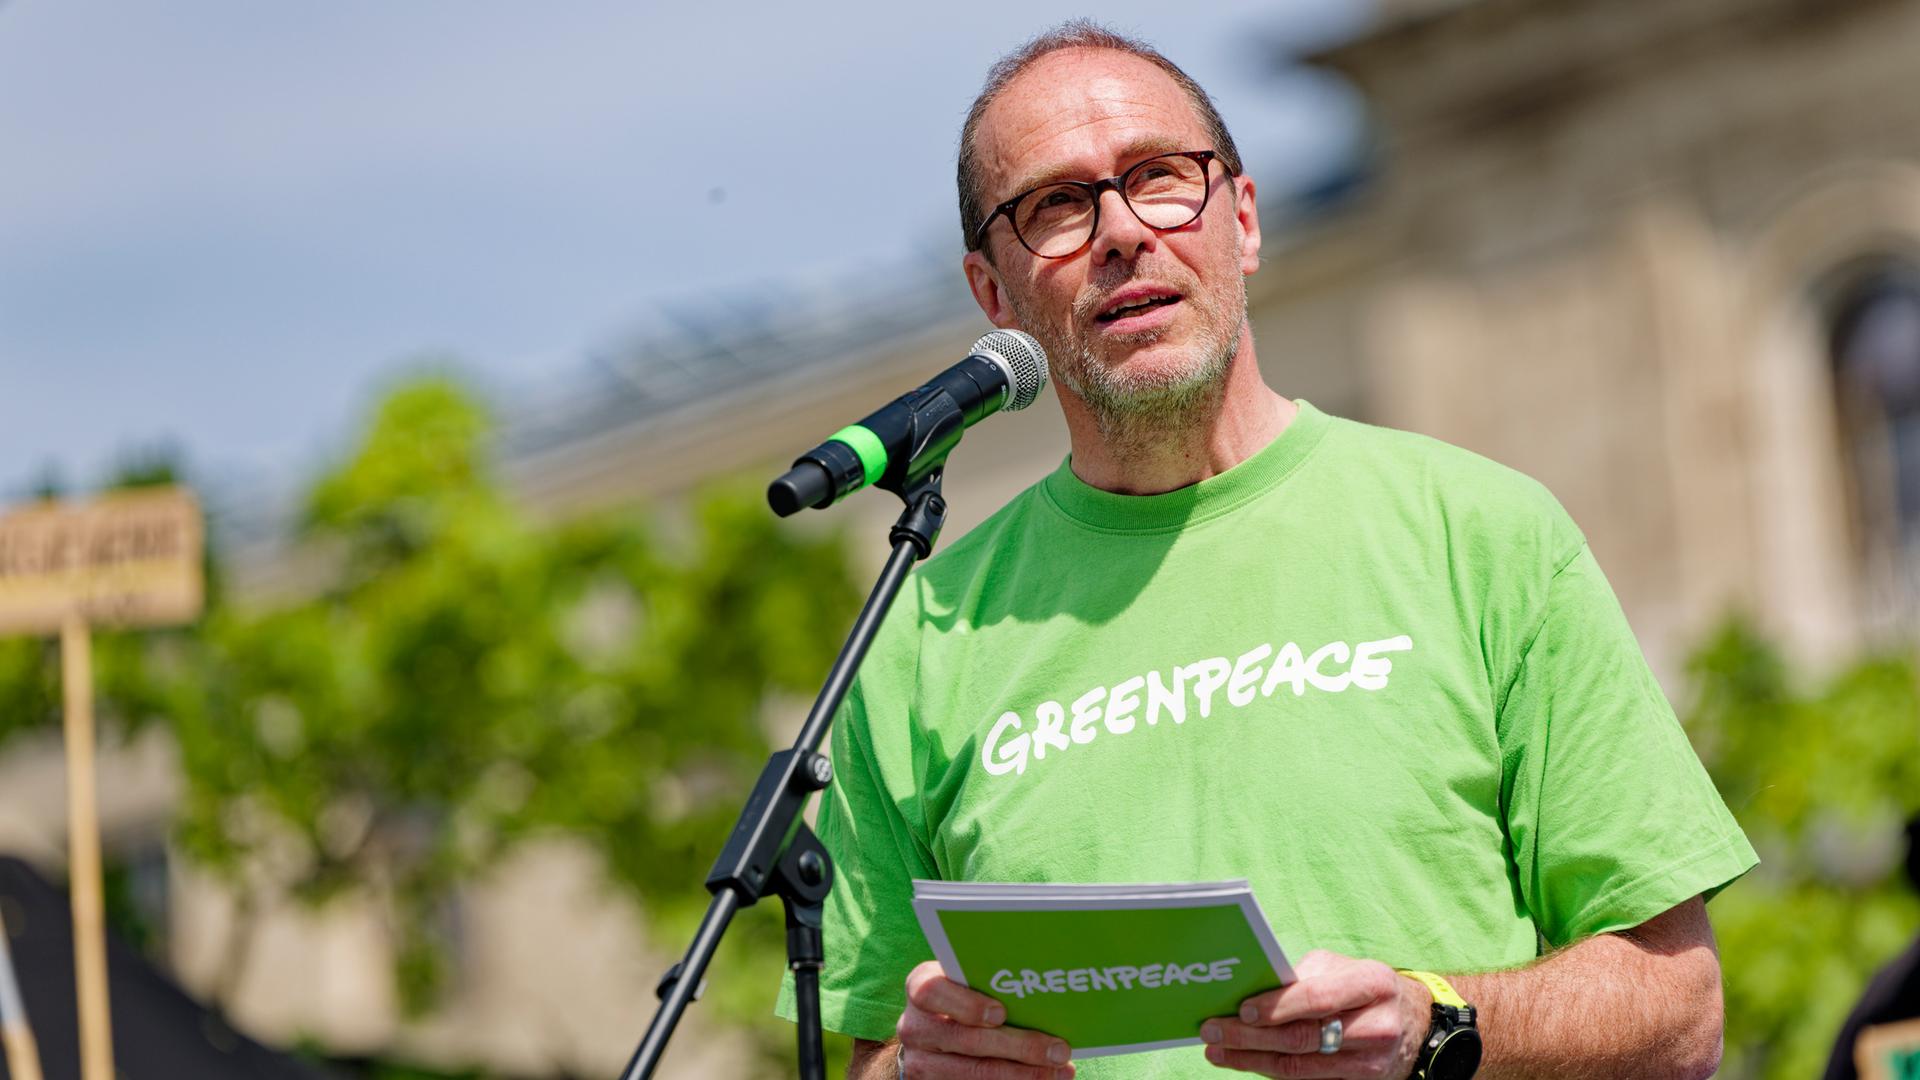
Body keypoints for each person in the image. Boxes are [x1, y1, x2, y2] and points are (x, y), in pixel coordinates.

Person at [778, 21, 1757, 1080]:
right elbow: (874, 1049)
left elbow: (1679, 1012)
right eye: (1057, 205)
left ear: (1241, 221)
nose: (1119, 231)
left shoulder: (1482, 533)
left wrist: (1436, 1022)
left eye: (1160, 177)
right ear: (994, 295)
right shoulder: (920, 634)